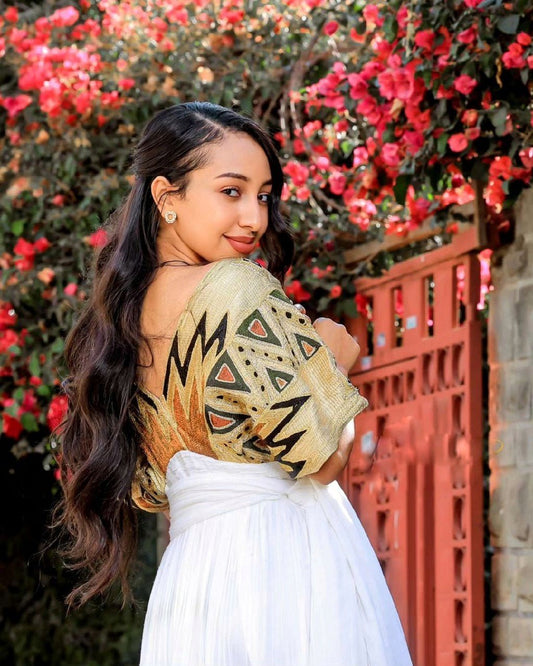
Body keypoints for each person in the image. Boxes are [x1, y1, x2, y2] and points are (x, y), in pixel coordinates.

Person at [56, 102, 412, 665]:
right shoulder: (233, 288)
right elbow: (323, 460)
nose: (255, 218)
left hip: (192, 582)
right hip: (281, 567)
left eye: (264, 196)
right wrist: (330, 360)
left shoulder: (124, 320)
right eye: (231, 191)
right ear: (167, 197)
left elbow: (161, 489)